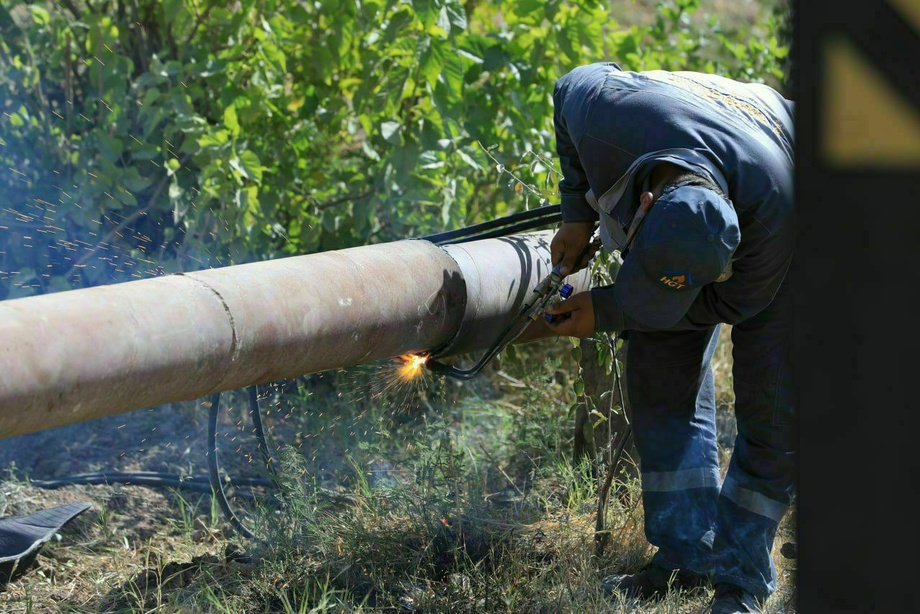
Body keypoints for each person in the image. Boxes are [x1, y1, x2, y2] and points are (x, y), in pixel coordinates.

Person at [542, 62, 795, 614]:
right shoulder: (601, 111)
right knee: (659, 374)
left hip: (789, 203)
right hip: (703, 131)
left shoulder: (770, 219)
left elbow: (733, 303)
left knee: (771, 404)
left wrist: (610, 309)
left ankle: (740, 581)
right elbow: (567, 87)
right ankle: (686, 554)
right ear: (648, 207)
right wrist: (576, 211)